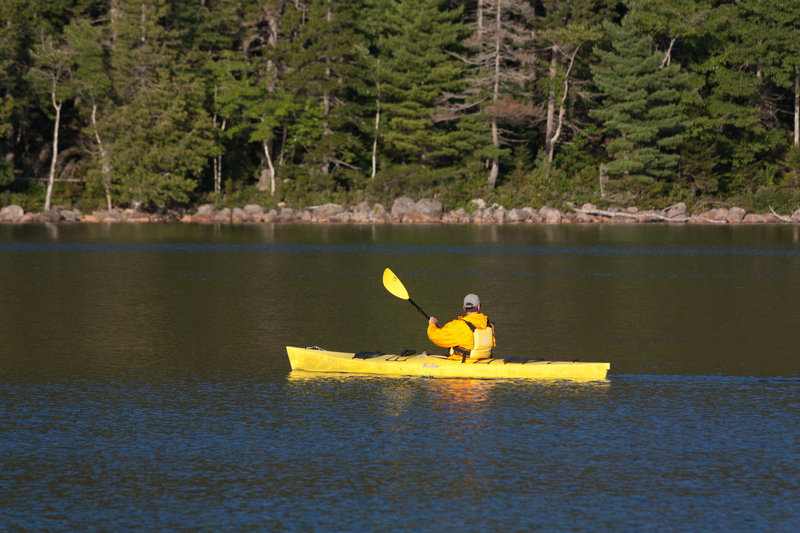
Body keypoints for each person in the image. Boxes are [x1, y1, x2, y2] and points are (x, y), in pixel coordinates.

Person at [427, 293, 495, 361]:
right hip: (486, 359)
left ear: (464, 308)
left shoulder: (459, 325)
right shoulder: (489, 324)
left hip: (464, 361)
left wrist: (432, 324)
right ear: (478, 307)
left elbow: (435, 336)